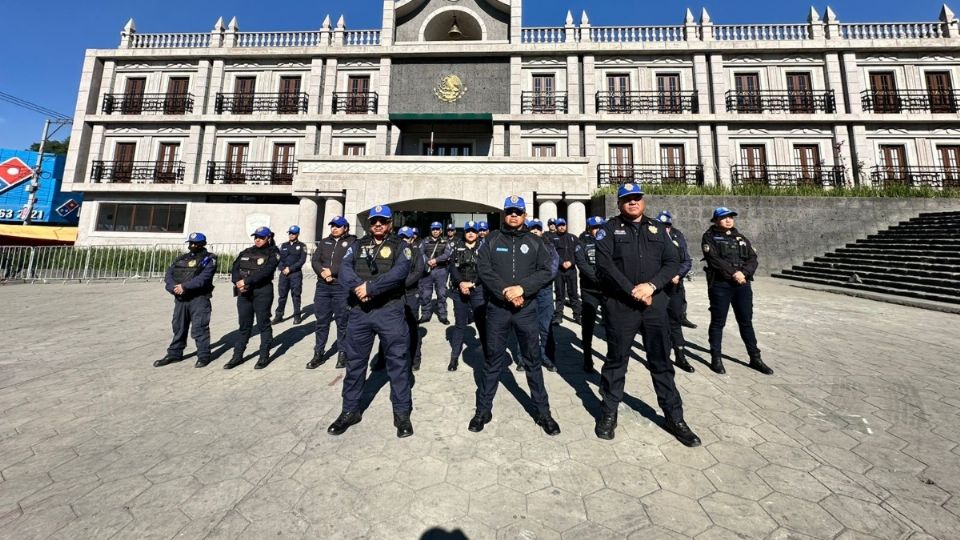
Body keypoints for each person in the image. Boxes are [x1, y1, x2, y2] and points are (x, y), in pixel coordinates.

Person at [595, 183, 701, 446]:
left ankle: (674, 416)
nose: (632, 203)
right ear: (619, 204)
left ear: (643, 201)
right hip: (622, 305)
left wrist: (651, 286)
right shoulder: (609, 229)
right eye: (626, 199)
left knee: (661, 361)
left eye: (636, 198)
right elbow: (604, 264)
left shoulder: (658, 229)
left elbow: (673, 262)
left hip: (654, 305)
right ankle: (609, 412)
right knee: (616, 361)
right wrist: (632, 290)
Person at [469, 196, 561, 436]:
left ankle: (543, 413)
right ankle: (483, 410)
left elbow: (546, 271)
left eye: (517, 212)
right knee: (492, 361)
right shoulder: (490, 240)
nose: (513, 216)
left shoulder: (535, 242)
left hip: (526, 310)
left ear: (524, 215)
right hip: (497, 310)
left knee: (532, 360)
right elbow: (484, 270)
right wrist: (505, 292)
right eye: (509, 212)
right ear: (504, 214)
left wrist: (522, 289)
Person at [327, 205, 415, 438]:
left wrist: (371, 287)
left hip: (390, 311)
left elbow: (400, 273)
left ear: (390, 224)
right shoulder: (356, 245)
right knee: (355, 363)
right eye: (374, 221)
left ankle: (402, 413)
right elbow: (344, 269)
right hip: (360, 311)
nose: (378, 224)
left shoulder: (401, 246)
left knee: (397, 364)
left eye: (383, 221)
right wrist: (359, 287)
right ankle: (350, 411)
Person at [702, 207, 774, 376]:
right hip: (721, 285)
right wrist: (734, 273)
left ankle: (755, 357)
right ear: (716, 220)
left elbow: (753, 258)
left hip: (742, 284)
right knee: (718, 322)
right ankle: (716, 357)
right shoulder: (709, 237)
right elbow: (714, 260)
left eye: (731, 217)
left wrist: (744, 273)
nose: (728, 220)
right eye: (724, 217)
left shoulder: (741, 238)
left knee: (746, 321)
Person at [155, 232, 217, 368]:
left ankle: (203, 355)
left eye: (196, 243)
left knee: (199, 328)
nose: (193, 245)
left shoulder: (209, 259)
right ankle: (174, 354)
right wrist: (173, 288)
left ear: (203, 244)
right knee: (178, 327)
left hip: (199, 299)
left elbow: (203, 278)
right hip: (181, 299)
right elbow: (169, 275)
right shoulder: (181, 259)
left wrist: (185, 286)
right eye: (191, 243)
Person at [226, 226, 280, 370]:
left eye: (261, 237)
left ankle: (263, 356)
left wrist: (246, 281)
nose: (257, 239)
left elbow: (266, 271)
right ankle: (237, 356)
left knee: (263, 324)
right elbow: (235, 267)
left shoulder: (273, 253)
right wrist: (238, 282)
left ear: (268, 238)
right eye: (256, 237)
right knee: (244, 326)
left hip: (262, 292)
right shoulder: (247, 251)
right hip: (244, 292)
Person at [308, 216, 356, 369]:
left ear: (346, 228)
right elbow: (315, 260)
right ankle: (318, 353)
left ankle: (343, 353)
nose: (334, 228)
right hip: (323, 286)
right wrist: (322, 273)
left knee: (342, 321)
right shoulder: (324, 242)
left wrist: (332, 271)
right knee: (321, 321)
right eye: (333, 226)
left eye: (338, 226)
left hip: (341, 287)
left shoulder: (352, 242)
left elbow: (350, 262)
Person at [657, 211, 696, 374]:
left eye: (668, 226)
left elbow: (686, 260)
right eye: (662, 226)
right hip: (658, 288)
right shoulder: (651, 238)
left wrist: (678, 274)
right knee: (657, 323)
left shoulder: (677, 236)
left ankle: (680, 355)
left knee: (675, 321)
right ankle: (661, 357)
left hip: (675, 287)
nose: (665, 229)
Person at [448, 221, 487, 372]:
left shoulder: (484, 248)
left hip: (477, 289)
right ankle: (454, 358)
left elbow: (485, 269)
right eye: (468, 231)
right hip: (460, 290)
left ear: (478, 233)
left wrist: (472, 283)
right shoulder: (456, 247)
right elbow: (452, 267)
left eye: (474, 231)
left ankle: (488, 356)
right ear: (464, 232)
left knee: (481, 324)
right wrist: (461, 284)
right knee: (460, 324)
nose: (471, 233)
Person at [574, 216, 605, 373]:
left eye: (600, 226)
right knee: (588, 325)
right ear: (589, 229)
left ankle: (614, 358)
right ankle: (587, 356)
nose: (598, 229)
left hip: (608, 290)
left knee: (613, 325)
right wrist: (597, 279)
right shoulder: (582, 243)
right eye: (594, 227)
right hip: (590, 290)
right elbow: (582, 264)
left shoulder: (609, 241)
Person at [527, 220, 558, 372]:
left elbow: (552, 270)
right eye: (532, 228)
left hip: (544, 291)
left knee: (546, 327)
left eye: (537, 229)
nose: (534, 231)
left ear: (541, 231)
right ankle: (523, 358)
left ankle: (548, 358)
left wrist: (536, 282)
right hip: (527, 292)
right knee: (525, 328)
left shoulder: (550, 247)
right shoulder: (522, 247)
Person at [549, 218, 582, 325]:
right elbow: (552, 253)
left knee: (573, 294)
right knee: (560, 294)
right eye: (559, 225)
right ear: (556, 227)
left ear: (566, 225)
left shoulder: (573, 238)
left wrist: (572, 262)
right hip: (559, 271)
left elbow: (579, 251)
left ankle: (577, 315)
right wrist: (562, 262)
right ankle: (558, 316)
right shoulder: (553, 238)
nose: (561, 227)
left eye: (563, 225)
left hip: (571, 270)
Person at [418, 222, 453, 324]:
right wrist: (428, 261)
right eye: (434, 229)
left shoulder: (445, 241)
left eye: (437, 229)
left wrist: (435, 260)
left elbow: (447, 254)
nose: (435, 231)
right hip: (427, 271)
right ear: (431, 230)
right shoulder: (425, 241)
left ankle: (443, 316)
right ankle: (425, 315)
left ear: (441, 230)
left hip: (440, 271)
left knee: (442, 294)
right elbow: (421, 253)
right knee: (425, 294)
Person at [273, 225, 307, 324]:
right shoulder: (283, 245)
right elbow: (278, 259)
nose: (291, 235)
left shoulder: (302, 246)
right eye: (290, 233)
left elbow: (302, 260)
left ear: (298, 234)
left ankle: (297, 316)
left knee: (296, 295)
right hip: (284, 274)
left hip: (295, 274)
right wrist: (283, 268)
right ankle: (279, 315)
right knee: (282, 296)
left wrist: (290, 269)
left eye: (294, 233)